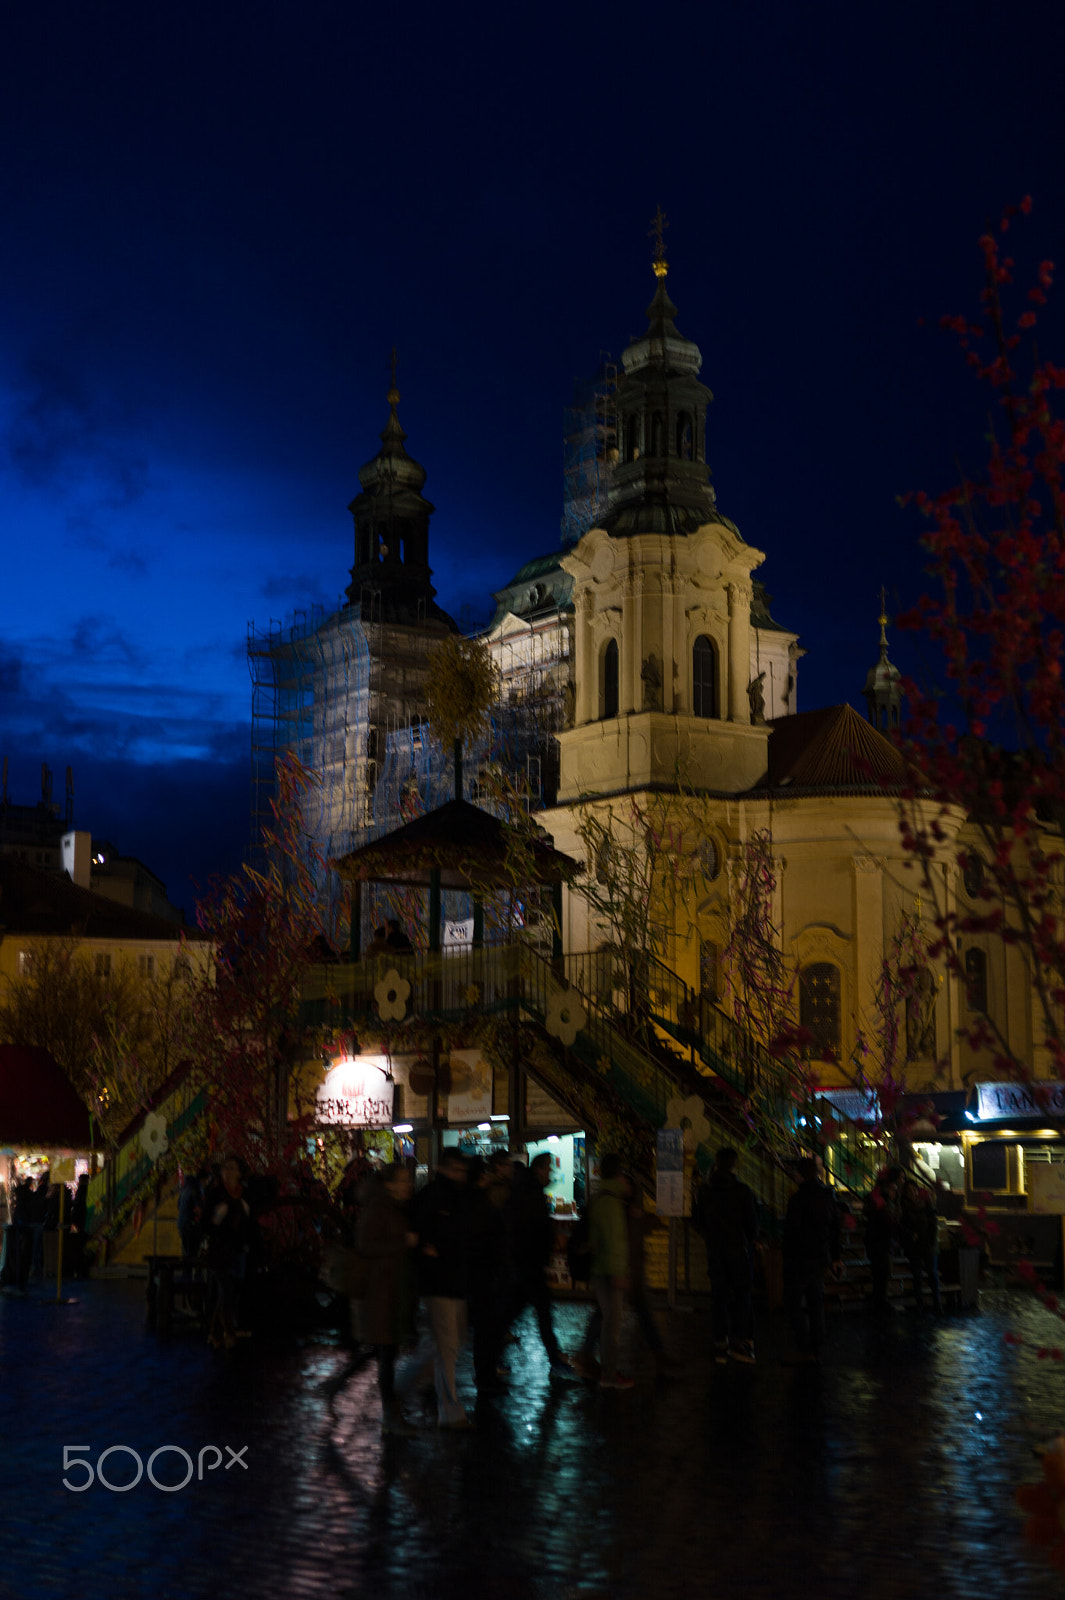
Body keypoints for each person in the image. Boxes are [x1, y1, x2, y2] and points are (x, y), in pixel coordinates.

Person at [408, 1149, 475, 1428]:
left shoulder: (456, 1197)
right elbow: (420, 1239)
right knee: (447, 1346)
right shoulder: (434, 1197)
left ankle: (404, 1382)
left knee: (447, 1344)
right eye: (457, 1170)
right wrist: (431, 1256)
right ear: (445, 1168)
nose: (461, 1175)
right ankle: (449, 1409)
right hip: (441, 1284)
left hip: (453, 1282)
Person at [356, 1163, 419, 1433]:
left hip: (393, 1290)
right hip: (382, 1293)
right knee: (386, 1354)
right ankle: (391, 1417)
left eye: (409, 1181)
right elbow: (365, 1245)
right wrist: (403, 1243)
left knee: (386, 1353)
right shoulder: (379, 1208)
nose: (409, 1185)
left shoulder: (393, 1207)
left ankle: (391, 1415)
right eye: (404, 1181)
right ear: (390, 1184)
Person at [505, 1152, 574, 1379]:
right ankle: (555, 1361)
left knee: (515, 1313)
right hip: (528, 1265)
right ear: (539, 1170)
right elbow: (529, 1229)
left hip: (527, 1265)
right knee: (540, 1314)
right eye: (548, 1169)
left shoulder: (529, 1191)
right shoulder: (529, 1194)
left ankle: (488, 1359)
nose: (551, 1174)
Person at [694, 1146, 759, 1365]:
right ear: (734, 1165)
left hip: (715, 1250)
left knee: (719, 1297)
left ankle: (720, 1342)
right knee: (741, 1296)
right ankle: (739, 1342)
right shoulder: (742, 1191)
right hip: (737, 1250)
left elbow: (699, 1221)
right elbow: (752, 1226)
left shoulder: (705, 1190)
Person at [580, 1153, 634, 1390]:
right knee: (612, 1326)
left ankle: (601, 1367)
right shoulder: (612, 1202)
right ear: (619, 1175)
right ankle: (610, 1375)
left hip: (599, 1268)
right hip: (610, 1272)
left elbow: (595, 1239)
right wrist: (619, 1273)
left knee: (605, 1319)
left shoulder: (600, 1197)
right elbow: (615, 1242)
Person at [783, 1156, 843, 1364]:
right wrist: (835, 1257)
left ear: (800, 1174)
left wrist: (787, 1256)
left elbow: (792, 1232)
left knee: (794, 1304)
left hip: (800, 1258)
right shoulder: (828, 1197)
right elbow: (835, 1229)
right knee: (816, 1303)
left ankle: (804, 1347)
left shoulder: (797, 1200)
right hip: (820, 1256)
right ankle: (817, 1348)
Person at [204, 1157, 252, 1350]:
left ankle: (215, 1332)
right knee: (225, 1289)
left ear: (239, 1173)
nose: (229, 1172)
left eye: (232, 1168)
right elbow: (207, 1223)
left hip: (238, 1250)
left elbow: (249, 1224)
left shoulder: (243, 1195)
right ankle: (229, 1333)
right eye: (226, 1168)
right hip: (219, 1249)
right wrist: (216, 1219)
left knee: (230, 1291)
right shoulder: (216, 1194)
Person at [899, 1179, 942, 1314]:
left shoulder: (926, 1204)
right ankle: (920, 1304)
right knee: (917, 1276)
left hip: (928, 1244)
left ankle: (937, 1303)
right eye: (908, 1191)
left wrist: (930, 1239)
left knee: (932, 1274)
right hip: (914, 1245)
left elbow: (933, 1223)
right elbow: (902, 1225)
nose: (911, 1193)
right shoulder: (904, 1207)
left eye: (913, 1190)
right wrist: (910, 1234)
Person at [864, 1167, 903, 1314]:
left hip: (884, 1241)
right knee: (882, 1271)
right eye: (892, 1189)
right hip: (879, 1241)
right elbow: (885, 1220)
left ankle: (879, 1298)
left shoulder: (890, 1202)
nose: (894, 1192)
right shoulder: (879, 1202)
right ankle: (880, 1300)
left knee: (883, 1271)